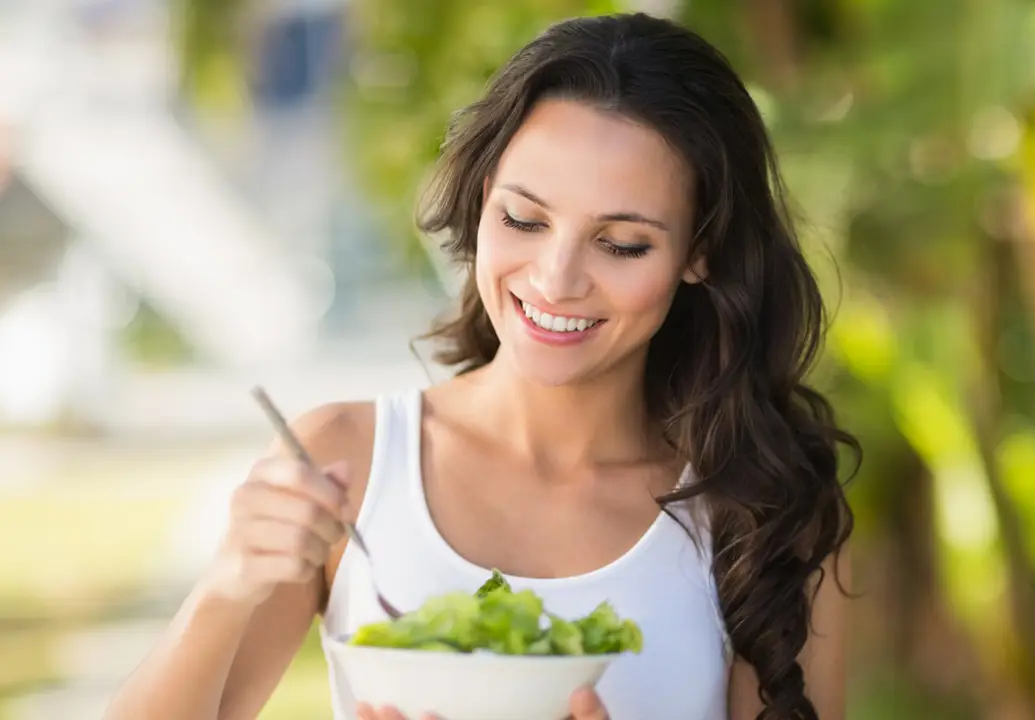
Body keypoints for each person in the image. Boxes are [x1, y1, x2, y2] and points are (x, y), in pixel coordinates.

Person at [105, 11, 858, 720]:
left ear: (701, 252)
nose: (556, 278)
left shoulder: (767, 508)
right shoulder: (351, 463)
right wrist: (228, 584)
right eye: (524, 220)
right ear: (481, 201)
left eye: (622, 243)